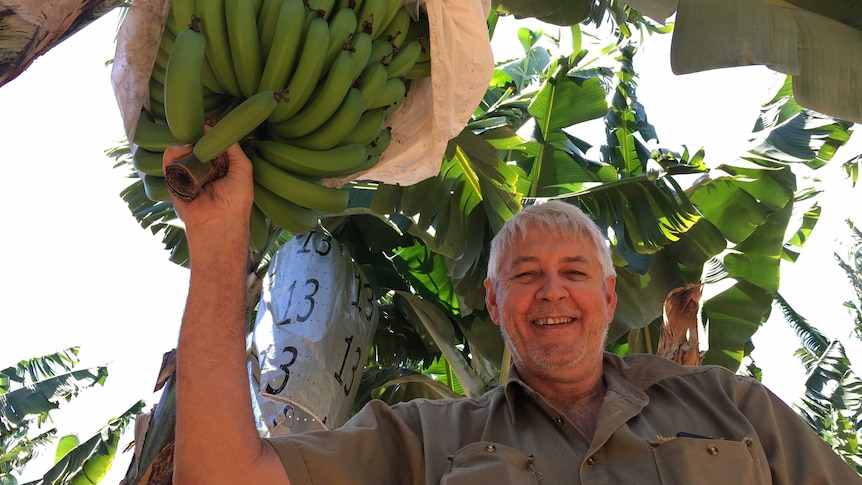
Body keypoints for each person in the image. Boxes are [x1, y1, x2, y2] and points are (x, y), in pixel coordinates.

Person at [166, 143, 862, 485]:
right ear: (494, 303)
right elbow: (225, 476)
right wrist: (218, 242)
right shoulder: (427, 440)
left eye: (575, 273)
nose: (552, 292)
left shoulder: (729, 405)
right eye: (526, 276)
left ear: (610, 297)